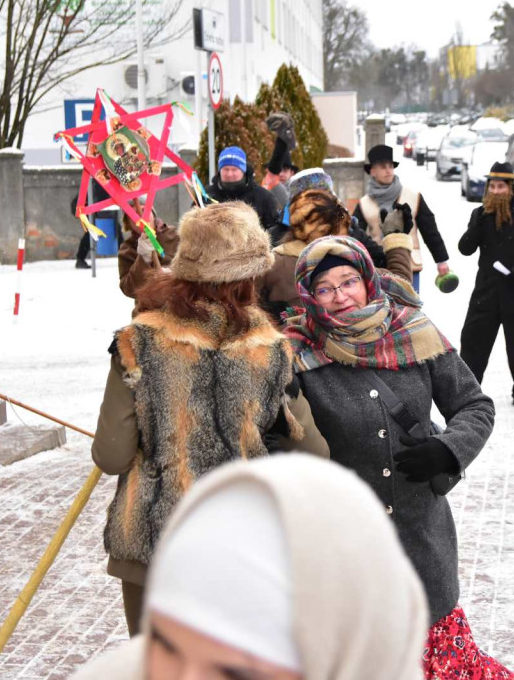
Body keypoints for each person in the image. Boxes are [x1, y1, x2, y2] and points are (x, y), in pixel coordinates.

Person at [91, 202, 329, 636]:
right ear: (249, 277)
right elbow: (314, 451)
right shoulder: (271, 350)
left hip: (152, 550)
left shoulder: (137, 342)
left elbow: (110, 454)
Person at [282, 237, 514, 679]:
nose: (340, 295)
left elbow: (475, 406)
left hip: (420, 538)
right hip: (346, 550)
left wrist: (449, 449)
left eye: (349, 281)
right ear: (310, 297)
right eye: (326, 288)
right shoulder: (294, 354)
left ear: (368, 281)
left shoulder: (416, 332)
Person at [71, 455, 429, 680]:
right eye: (165, 645)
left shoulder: (137, 354)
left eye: (235, 675)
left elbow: (110, 451)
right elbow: (312, 444)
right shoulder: (274, 353)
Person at [258, 168, 412, 323]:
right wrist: (396, 236)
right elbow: (402, 289)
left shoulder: (275, 258)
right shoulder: (350, 258)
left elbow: (242, 306)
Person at [458, 161, 514, 406]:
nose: (496, 191)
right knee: (473, 341)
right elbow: (465, 249)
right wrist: (479, 221)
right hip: (486, 291)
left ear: (510, 187)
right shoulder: (480, 214)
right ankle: (468, 390)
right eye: (492, 187)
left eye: (501, 186)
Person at [354, 144, 454, 292]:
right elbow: (355, 236)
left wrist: (441, 261)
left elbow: (430, 230)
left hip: (409, 266)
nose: (388, 170)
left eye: (390, 166)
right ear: (373, 171)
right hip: (378, 268)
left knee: (410, 311)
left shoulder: (413, 196)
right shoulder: (364, 203)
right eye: (383, 167)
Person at [205, 146, 281, 238]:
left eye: (234, 169)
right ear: (219, 170)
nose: (229, 174)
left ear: (243, 170)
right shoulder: (206, 195)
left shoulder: (262, 196)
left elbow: (274, 229)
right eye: (225, 169)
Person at [116, 198, 179, 301]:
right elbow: (129, 289)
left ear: (153, 213)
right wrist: (143, 260)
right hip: (148, 309)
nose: (141, 216)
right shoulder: (126, 249)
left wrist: (172, 275)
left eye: (144, 209)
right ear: (127, 222)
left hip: (179, 306)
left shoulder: (176, 235)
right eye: (134, 213)